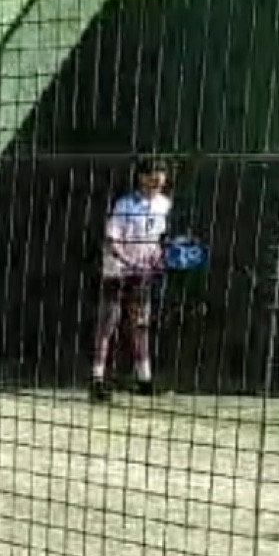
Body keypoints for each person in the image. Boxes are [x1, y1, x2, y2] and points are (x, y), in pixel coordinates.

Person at [90, 159, 173, 403]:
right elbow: (110, 242)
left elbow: (157, 239)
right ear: (141, 178)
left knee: (141, 324)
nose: (157, 182)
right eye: (153, 177)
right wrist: (128, 261)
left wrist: (156, 258)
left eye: (161, 178)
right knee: (108, 323)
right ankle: (97, 380)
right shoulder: (124, 205)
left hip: (142, 273)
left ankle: (144, 380)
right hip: (117, 272)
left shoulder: (164, 204)